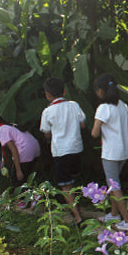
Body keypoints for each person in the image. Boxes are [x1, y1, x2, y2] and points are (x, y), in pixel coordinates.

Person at [91, 73, 128, 231]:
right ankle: (114, 214)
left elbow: (95, 133)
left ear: (100, 90)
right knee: (113, 184)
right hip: (123, 152)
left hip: (110, 154)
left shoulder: (103, 108)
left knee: (115, 187)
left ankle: (127, 221)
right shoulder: (123, 105)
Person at [40, 77, 86, 226]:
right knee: (73, 181)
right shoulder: (74, 105)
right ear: (64, 91)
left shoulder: (47, 111)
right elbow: (83, 124)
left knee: (66, 186)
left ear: (47, 94)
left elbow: (46, 133)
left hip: (61, 151)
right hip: (76, 148)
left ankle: (77, 217)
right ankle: (77, 207)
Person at [0, 110, 41, 189]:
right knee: (26, 181)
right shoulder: (7, 126)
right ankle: (32, 197)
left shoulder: (1, 130)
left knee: (16, 185)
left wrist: (18, 170)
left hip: (25, 151)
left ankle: (24, 200)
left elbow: (13, 149)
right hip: (34, 148)